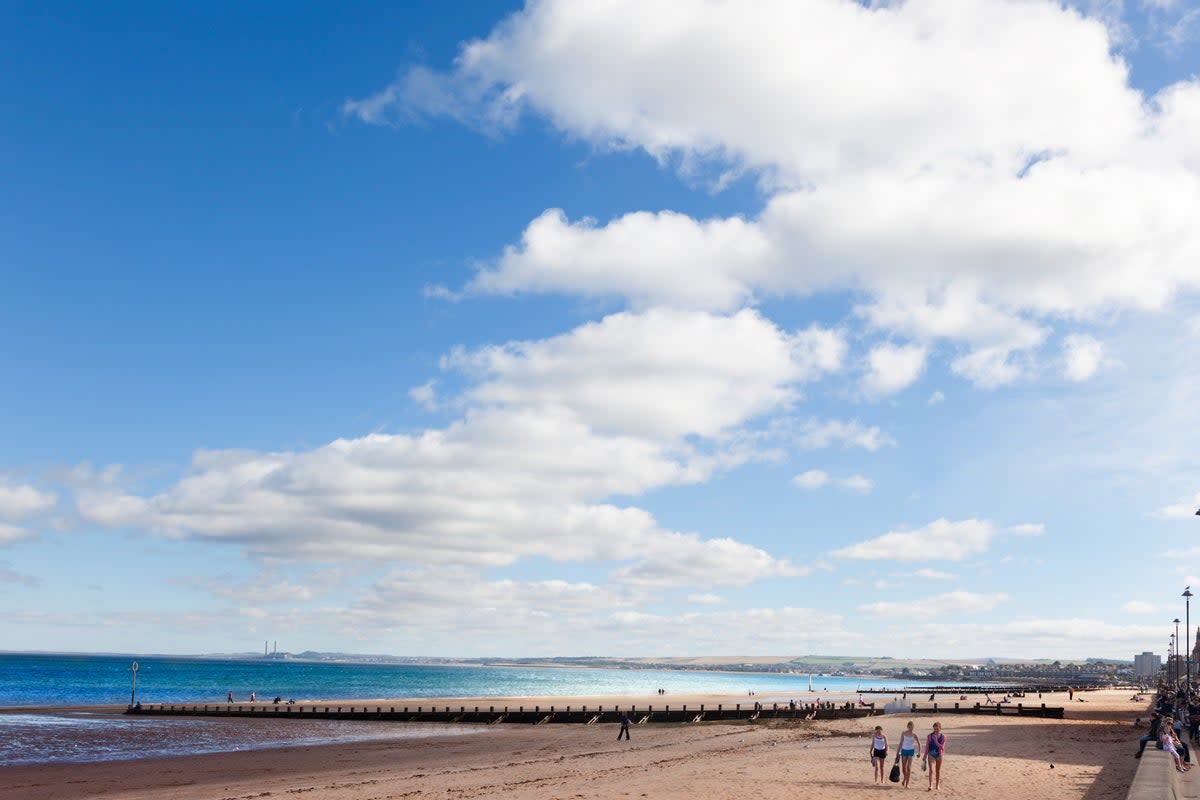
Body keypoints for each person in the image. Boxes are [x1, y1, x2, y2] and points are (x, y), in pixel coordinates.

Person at [895, 720, 922, 788]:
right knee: (903, 768)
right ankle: (905, 778)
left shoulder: (914, 735)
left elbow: (919, 744)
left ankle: (907, 784)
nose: (911, 728)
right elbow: (901, 742)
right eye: (909, 727)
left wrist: (919, 752)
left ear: (913, 727)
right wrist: (897, 752)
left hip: (911, 751)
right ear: (907, 727)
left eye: (912, 727)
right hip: (904, 750)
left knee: (908, 767)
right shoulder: (903, 733)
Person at [924, 721, 946, 791]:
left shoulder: (943, 737)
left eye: (937, 729)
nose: (935, 731)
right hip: (931, 754)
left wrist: (936, 741)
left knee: (938, 770)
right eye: (934, 729)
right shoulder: (929, 736)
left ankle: (937, 785)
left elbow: (942, 747)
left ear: (940, 729)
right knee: (931, 770)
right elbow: (927, 747)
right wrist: (924, 756)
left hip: (939, 755)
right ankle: (930, 785)